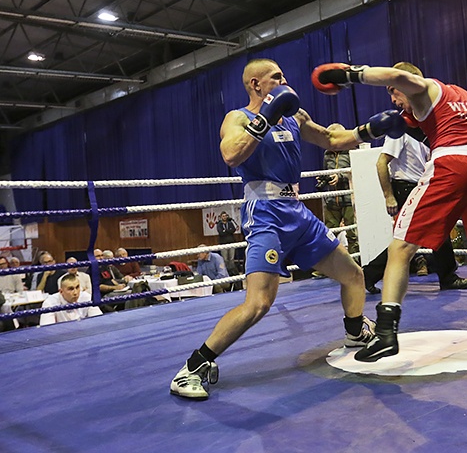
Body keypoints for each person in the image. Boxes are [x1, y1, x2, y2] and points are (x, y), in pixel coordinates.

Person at [170, 58, 401, 399]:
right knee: (259, 303)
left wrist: (370, 130)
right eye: (276, 76)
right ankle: (193, 367)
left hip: (297, 211)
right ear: (256, 85)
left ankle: (355, 332)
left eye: (283, 73)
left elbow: (331, 140)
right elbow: (231, 154)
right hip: (265, 212)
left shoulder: (295, 116)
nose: (284, 80)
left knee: (354, 275)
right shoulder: (238, 117)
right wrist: (266, 116)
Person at [312, 61, 467, 362]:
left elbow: (399, 76)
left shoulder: (425, 88)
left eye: (392, 93)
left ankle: (386, 334)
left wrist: (350, 75)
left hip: (454, 165)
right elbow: (442, 132)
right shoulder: (460, 96)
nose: (393, 99)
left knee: (400, 247)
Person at [363, 129, 467, 294]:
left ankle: (367, 275)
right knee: (413, 238)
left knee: (427, 233)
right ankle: (367, 275)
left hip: (419, 186)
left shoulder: (424, 133)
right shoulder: (399, 131)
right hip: (405, 187)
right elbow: (381, 162)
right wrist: (389, 196)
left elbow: (453, 146)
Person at [321, 127, 359, 254]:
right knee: (328, 234)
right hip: (332, 199)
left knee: (352, 234)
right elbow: (326, 171)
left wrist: (340, 176)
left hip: (348, 198)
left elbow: (356, 172)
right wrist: (324, 178)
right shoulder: (327, 154)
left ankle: (356, 264)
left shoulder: (352, 151)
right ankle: (325, 267)